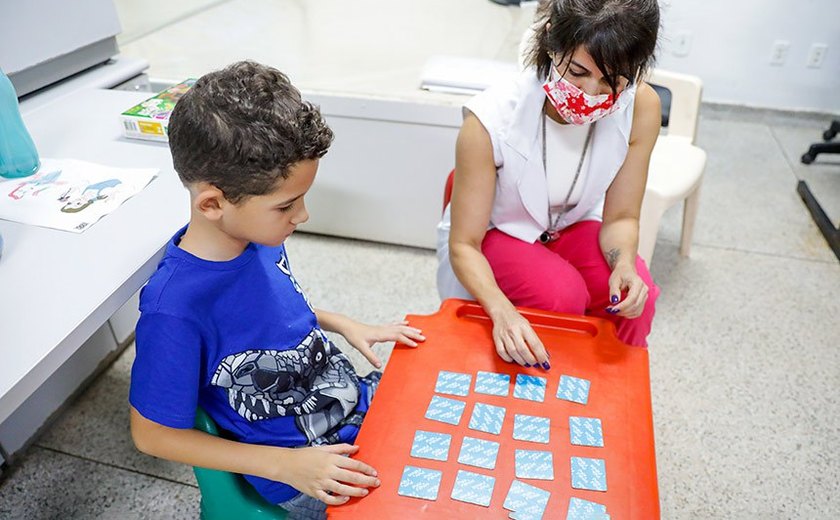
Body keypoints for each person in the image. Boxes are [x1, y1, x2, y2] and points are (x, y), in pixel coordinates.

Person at [128, 61, 425, 519]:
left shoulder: (259, 237)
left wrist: (343, 323)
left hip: (352, 403)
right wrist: (283, 464)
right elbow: (150, 434)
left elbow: (268, 316)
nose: (302, 216)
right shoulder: (175, 309)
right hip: (303, 469)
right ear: (213, 203)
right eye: (287, 204)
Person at [436, 0, 661, 369]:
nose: (591, 93)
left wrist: (624, 267)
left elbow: (620, 218)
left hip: (573, 222)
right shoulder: (491, 119)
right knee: (558, 296)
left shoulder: (641, 108)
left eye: (612, 80)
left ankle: (606, 393)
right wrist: (502, 312)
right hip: (498, 230)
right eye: (577, 72)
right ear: (550, 41)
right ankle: (549, 399)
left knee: (637, 298)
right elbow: (464, 244)